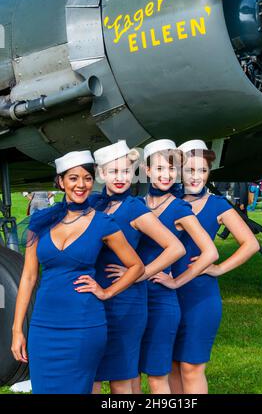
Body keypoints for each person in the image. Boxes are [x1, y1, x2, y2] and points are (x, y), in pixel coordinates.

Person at [11, 150, 144, 394]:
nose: (81, 185)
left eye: (87, 178)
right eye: (73, 178)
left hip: (84, 325)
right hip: (43, 327)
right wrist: (17, 329)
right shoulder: (40, 221)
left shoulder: (103, 223)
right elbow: (28, 277)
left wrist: (106, 291)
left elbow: (136, 266)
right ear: (61, 182)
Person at [107, 140, 218, 394]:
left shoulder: (180, 207)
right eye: (159, 168)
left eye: (171, 169)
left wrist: (174, 281)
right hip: (133, 300)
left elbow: (209, 252)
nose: (165, 175)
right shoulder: (136, 204)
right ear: (146, 171)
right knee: (129, 373)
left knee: (158, 378)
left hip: (159, 300)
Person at [152, 140, 260, 394]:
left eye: (202, 171)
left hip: (199, 296)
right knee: (172, 365)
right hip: (167, 293)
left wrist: (219, 268)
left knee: (191, 366)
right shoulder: (168, 201)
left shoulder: (218, 205)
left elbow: (250, 244)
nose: (196, 177)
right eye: (190, 170)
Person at [91, 141, 185, 395]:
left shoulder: (135, 208)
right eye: (113, 172)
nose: (120, 178)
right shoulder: (93, 205)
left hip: (127, 302)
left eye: (125, 171)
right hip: (94, 298)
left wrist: (141, 273)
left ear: (133, 173)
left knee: (122, 377)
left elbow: (175, 248)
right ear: (101, 174)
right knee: (93, 377)